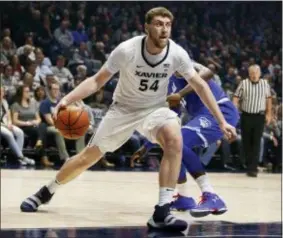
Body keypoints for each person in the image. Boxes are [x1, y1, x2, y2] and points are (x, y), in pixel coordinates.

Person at [20, 7, 236, 231]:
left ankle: (162, 211)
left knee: (174, 139)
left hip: (155, 109)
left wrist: (222, 121)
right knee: (87, 158)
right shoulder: (127, 50)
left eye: (167, 25)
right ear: (147, 27)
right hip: (123, 110)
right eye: (159, 24)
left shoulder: (177, 53)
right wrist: (67, 98)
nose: (164, 29)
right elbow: (97, 81)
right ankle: (46, 191)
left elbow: (201, 85)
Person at [131, 62, 239, 217]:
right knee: (172, 144)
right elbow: (172, 115)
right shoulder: (168, 84)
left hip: (220, 110)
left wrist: (180, 94)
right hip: (202, 115)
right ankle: (183, 198)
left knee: (179, 142)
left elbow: (207, 73)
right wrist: (147, 146)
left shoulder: (182, 62)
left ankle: (211, 196)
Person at [233, 65, 272, 177]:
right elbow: (236, 97)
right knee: (246, 142)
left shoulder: (265, 84)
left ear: (259, 73)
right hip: (246, 116)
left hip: (259, 116)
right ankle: (250, 164)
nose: (254, 75)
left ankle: (253, 168)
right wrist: (235, 108)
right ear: (249, 74)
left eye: (256, 72)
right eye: (252, 73)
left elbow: (269, 99)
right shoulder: (243, 83)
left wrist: (269, 114)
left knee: (256, 141)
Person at [0, 86, 35, 165]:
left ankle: (17, 158)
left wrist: (9, 123)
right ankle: (21, 157)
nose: (1, 93)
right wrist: (6, 126)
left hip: (5, 124)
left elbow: (8, 115)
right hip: (1, 125)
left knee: (20, 132)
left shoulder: (5, 102)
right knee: (9, 134)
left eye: (2, 91)